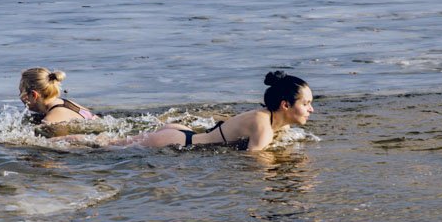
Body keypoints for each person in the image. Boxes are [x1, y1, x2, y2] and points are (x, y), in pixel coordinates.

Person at [131, 71, 314, 152]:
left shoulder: (271, 120)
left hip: (182, 134)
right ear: (285, 105)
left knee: (110, 143)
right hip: (175, 141)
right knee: (105, 148)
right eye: (306, 104)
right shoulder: (263, 126)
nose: (311, 109)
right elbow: (256, 162)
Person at [18, 68, 98, 134]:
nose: (20, 97)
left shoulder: (50, 121)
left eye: (21, 92)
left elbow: (64, 142)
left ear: (33, 95)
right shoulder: (66, 103)